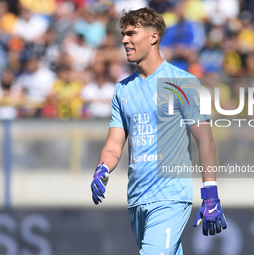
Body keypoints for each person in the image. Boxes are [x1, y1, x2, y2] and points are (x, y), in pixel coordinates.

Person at [90, 7, 227, 255]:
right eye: (123, 34)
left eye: (131, 33)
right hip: (137, 199)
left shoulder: (182, 83)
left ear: (154, 37)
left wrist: (211, 194)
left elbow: (205, 140)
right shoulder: (123, 90)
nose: (124, 40)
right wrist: (102, 168)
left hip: (171, 196)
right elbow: (114, 144)